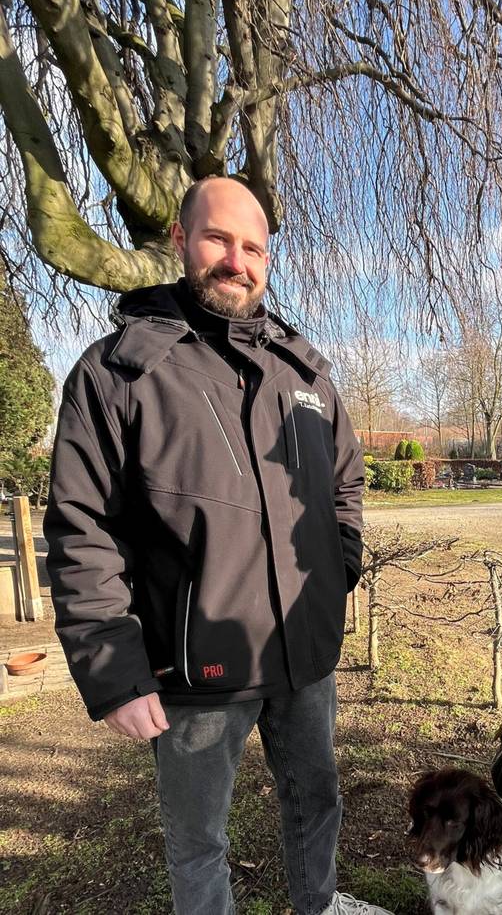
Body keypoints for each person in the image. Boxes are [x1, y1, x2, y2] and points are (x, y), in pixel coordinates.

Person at [45, 176, 392, 915]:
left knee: (317, 800)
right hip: (194, 671)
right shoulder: (117, 374)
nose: (237, 260)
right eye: (218, 239)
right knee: (198, 839)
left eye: (253, 247)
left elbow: (345, 486)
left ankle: (319, 904)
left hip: (305, 657)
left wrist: (339, 570)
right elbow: (82, 529)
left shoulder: (304, 373)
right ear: (179, 240)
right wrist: (112, 669)